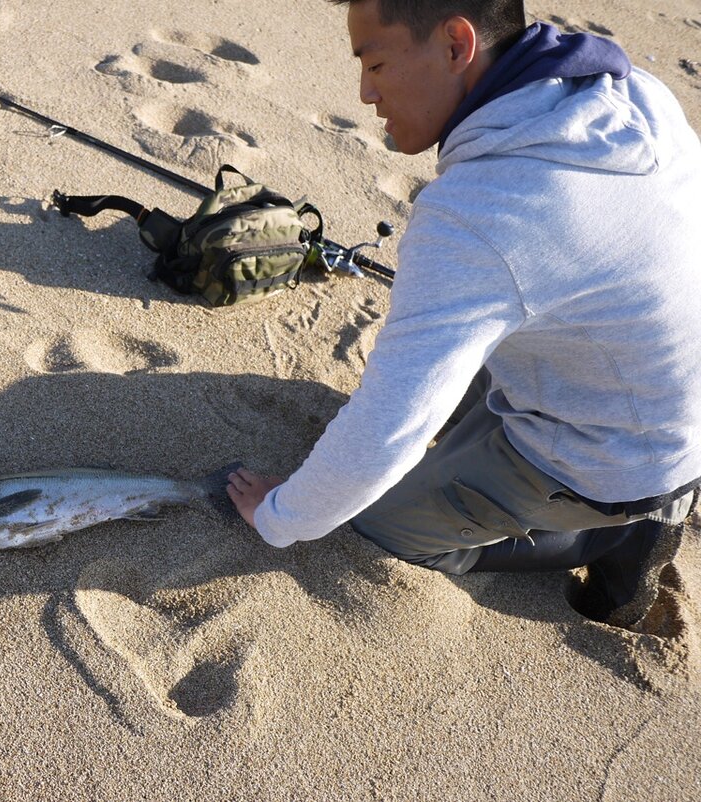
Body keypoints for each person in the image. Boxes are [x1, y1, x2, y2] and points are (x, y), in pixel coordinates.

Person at [226, 0, 701, 629]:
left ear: (456, 44)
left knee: (376, 522)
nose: (366, 92)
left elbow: (387, 431)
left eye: (376, 63)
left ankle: (615, 537)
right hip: (670, 392)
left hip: (619, 463)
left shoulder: (478, 213)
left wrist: (281, 517)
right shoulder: (635, 93)